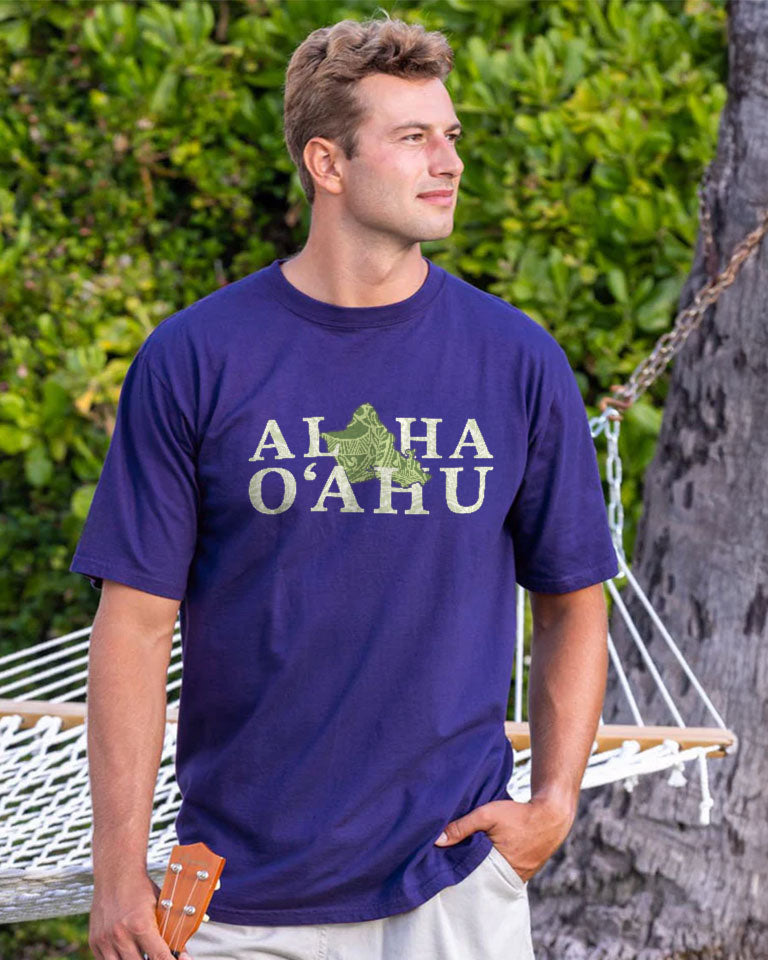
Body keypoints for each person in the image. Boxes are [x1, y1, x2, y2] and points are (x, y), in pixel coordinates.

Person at [73, 13, 618, 960]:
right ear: (328, 164)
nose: (447, 161)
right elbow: (133, 622)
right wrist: (118, 869)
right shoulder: (197, 358)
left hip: (451, 884)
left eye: (450, 135)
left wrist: (554, 805)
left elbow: (575, 598)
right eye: (413, 138)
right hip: (235, 898)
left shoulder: (516, 360)